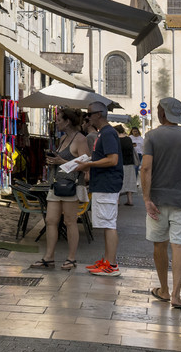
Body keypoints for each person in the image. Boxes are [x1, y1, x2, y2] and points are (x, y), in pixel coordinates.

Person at [141, 96, 181, 309]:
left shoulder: (151, 136)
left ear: (162, 113)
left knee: (159, 246)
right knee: (179, 245)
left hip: (158, 202)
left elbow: (146, 169)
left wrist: (146, 198)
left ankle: (164, 290)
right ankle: (177, 296)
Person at [32, 108, 89, 271]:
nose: (56, 123)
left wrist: (60, 161)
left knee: (70, 221)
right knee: (50, 220)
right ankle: (49, 257)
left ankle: (71, 258)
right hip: (55, 184)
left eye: (58, 120)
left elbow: (84, 165)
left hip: (70, 185)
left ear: (67, 121)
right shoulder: (63, 138)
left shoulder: (80, 140)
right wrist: (52, 161)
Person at [83, 102, 123, 276]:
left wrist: (89, 164)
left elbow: (112, 159)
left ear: (99, 114)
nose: (87, 117)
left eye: (89, 113)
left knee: (108, 224)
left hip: (107, 184)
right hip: (103, 183)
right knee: (106, 224)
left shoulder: (107, 133)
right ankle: (107, 260)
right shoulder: (103, 133)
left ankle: (111, 264)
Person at [119, 124, 138, 206]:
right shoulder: (129, 139)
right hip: (130, 163)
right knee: (129, 182)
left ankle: (118, 201)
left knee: (119, 181)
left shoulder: (117, 140)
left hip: (120, 163)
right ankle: (130, 200)